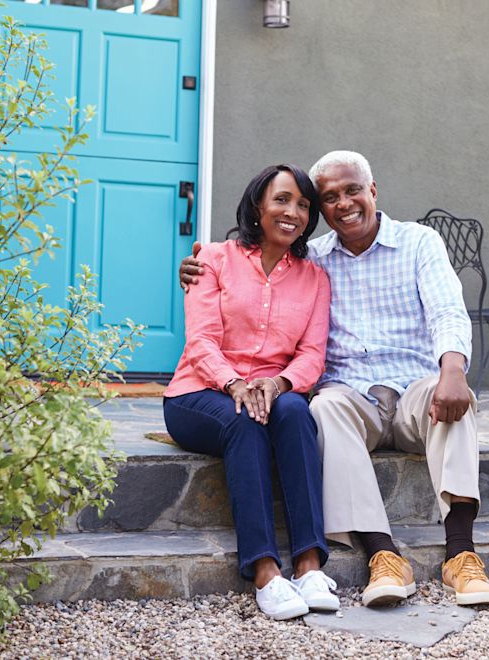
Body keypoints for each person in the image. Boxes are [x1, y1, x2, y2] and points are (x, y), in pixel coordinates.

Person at [182, 151, 489, 607]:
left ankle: (461, 554)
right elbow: (249, 265)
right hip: (352, 393)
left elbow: (448, 310)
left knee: (453, 396)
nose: (344, 203)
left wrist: (453, 369)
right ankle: (382, 556)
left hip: (414, 388)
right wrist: (195, 264)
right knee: (323, 407)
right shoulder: (312, 259)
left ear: (373, 191)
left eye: (353, 190)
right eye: (329, 197)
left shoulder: (419, 242)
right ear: (322, 210)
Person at [164, 164, 336, 621]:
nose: (292, 212)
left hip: (271, 391)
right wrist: (235, 383)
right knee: (244, 421)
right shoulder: (214, 259)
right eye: (282, 200)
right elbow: (200, 341)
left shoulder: (314, 278)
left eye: (303, 204)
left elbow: (312, 355)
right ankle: (264, 570)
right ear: (258, 205)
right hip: (198, 393)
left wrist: (278, 383)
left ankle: (308, 564)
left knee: (298, 413)